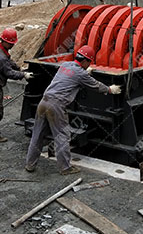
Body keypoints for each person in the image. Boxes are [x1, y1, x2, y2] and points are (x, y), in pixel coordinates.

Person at [25, 45, 122, 175]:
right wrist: (110, 89)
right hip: (56, 106)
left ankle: (30, 164)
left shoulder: (65, 65)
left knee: (37, 135)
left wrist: (84, 73)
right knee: (62, 136)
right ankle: (65, 168)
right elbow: (96, 85)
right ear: (85, 61)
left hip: (43, 102)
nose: (89, 65)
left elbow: (71, 75)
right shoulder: (81, 73)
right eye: (89, 62)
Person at [0, 27, 32, 143]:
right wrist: (23, 75)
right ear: (4, 41)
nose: (12, 45)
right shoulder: (0, 57)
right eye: (10, 43)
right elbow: (9, 73)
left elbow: (8, 61)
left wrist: (18, 68)